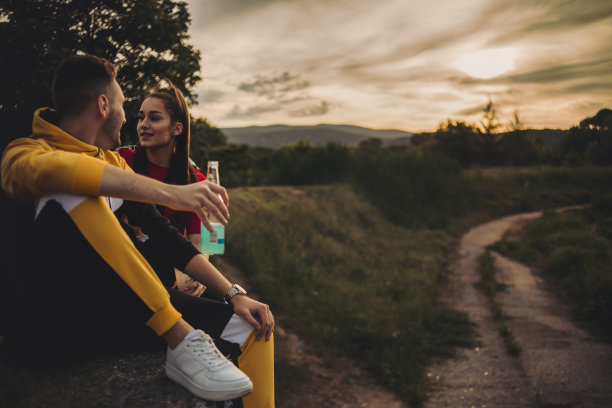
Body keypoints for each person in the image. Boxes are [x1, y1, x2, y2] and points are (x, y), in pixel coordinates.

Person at [0, 54, 274, 407]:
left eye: (150, 116)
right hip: (51, 327)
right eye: (126, 105)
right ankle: (179, 337)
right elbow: (59, 171)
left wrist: (233, 292)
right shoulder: (23, 152)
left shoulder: (113, 161)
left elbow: (161, 232)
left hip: (118, 313)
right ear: (103, 105)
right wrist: (172, 194)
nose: (130, 118)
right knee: (72, 188)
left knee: (250, 324)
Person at [117, 85, 206, 296]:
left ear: (177, 129)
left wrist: (198, 277)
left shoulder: (195, 180)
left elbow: (201, 243)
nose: (143, 125)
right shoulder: (121, 160)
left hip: (167, 279)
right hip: (121, 270)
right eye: (141, 118)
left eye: (154, 118)